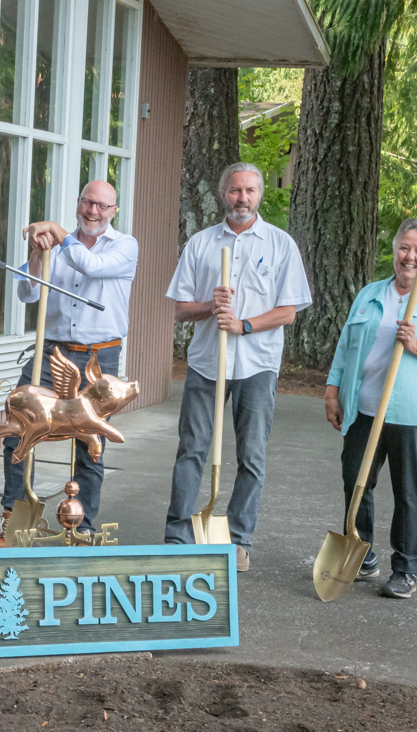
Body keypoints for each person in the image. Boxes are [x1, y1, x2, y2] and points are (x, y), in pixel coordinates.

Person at [163, 162, 312, 572]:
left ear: (259, 195)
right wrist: (211, 306)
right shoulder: (201, 244)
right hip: (207, 364)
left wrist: (243, 324)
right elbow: (181, 310)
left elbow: (288, 312)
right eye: (235, 190)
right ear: (223, 193)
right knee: (192, 450)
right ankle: (177, 536)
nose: (242, 198)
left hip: (257, 366)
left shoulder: (280, 245)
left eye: (249, 190)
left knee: (251, 455)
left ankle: (238, 539)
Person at [0, 180, 138, 546]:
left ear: (113, 211)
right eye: (88, 202)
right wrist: (38, 253)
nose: (93, 211)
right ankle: (14, 517)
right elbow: (27, 293)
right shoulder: (58, 246)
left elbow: (92, 267)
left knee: (89, 443)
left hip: (99, 357)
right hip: (52, 350)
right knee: (19, 429)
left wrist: (58, 233)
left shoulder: (124, 246)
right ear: (78, 202)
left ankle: (82, 525)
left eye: (102, 206)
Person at [324, 219, 417, 598]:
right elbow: (346, 347)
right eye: (405, 247)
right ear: (394, 250)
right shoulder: (371, 294)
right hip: (364, 408)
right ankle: (362, 554)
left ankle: (405, 569)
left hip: (413, 413)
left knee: (407, 491)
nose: (410, 256)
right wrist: (332, 391)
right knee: (355, 479)